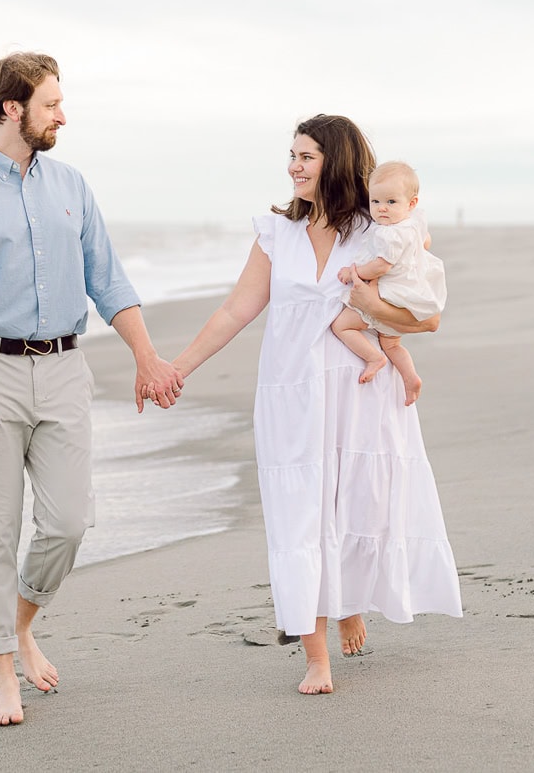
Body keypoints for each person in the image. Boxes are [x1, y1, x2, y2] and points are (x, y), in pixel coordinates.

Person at [0, 52, 184, 727]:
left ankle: (19, 619)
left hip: (66, 367)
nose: (63, 114)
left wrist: (147, 356)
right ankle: (3, 674)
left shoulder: (71, 183)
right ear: (12, 107)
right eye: (51, 103)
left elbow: (109, 280)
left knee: (67, 521)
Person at [172, 115, 463, 695]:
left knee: (358, 504)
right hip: (292, 394)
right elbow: (236, 310)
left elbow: (426, 315)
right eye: (292, 155)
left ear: (336, 161)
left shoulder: (380, 231)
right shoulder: (276, 233)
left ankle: (349, 600)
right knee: (300, 515)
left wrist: (370, 302)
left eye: (306, 156)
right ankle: (316, 656)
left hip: (361, 391)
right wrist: (175, 369)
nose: (294, 166)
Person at [329, 160, 448, 391]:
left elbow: (381, 267)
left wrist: (352, 273)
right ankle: (410, 377)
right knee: (391, 343)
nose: (382, 208)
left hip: (388, 294)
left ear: (411, 203)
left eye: (391, 202)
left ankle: (374, 358)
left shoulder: (389, 234)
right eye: (375, 201)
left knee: (342, 326)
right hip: (408, 291)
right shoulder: (413, 223)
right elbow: (426, 242)